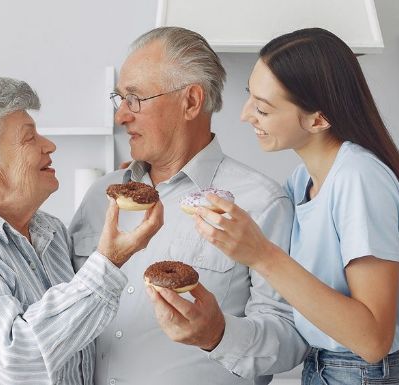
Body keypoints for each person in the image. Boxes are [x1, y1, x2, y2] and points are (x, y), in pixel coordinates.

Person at [193, 28, 399, 385]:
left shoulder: (358, 179)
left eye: (262, 108)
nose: (245, 115)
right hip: (322, 367)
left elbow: (372, 340)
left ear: (318, 120)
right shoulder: (301, 181)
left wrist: (262, 255)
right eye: (250, 98)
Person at [69, 27, 307, 385]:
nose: (121, 116)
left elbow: (290, 340)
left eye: (135, 98)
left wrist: (218, 335)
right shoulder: (100, 195)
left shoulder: (260, 203)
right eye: (119, 99)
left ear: (191, 102)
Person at [0, 77, 163, 385]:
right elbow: (14, 364)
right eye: (29, 138)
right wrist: (108, 263)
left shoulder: (49, 230)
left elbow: (72, 338)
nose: (49, 146)